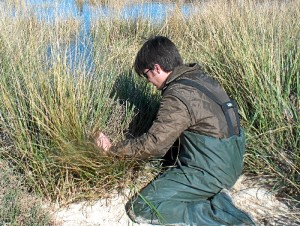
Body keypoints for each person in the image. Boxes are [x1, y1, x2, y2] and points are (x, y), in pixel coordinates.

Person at [94, 36, 255, 225]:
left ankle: (226, 216)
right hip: (233, 161)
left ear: (156, 68)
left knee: (142, 207)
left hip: (212, 171)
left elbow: (155, 145)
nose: (149, 82)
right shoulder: (198, 77)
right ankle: (216, 195)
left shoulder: (177, 95)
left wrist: (112, 150)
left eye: (146, 75)